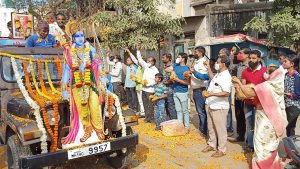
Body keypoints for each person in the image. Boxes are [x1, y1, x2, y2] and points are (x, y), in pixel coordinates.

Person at [232, 66, 287, 169]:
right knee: (270, 142)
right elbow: (243, 95)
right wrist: (238, 87)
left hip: (266, 119)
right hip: (272, 119)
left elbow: (248, 93)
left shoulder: (266, 86)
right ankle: (272, 164)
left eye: (266, 72)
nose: (264, 74)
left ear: (272, 75)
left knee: (261, 141)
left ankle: (262, 165)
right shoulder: (277, 86)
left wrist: (239, 83)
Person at [60, 26, 105, 143]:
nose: (80, 38)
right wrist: (64, 87)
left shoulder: (90, 48)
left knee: (94, 106)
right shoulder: (69, 52)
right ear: (73, 38)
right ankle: (87, 130)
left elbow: (97, 61)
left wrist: (102, 74)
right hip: (76, 84)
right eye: (77, 36)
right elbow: (66, 69)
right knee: (82, 109)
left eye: (82, 35)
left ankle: (99, 130)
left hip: (91, 82)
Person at [201, 56, 232, 158]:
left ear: (223, 64)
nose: (216, 64)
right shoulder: (219, 74)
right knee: (211, 127)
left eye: (218, 62)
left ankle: (222, 149)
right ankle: (212, 144)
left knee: (220, 129)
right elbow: (213, 79)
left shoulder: (226, 76)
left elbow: (227, 93)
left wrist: (211, 95)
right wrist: (209, 68)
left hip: (219, 106)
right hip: (211, 104)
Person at [241, 49, 267, 152]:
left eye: (254, 58)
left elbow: (267, 87)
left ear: (259, 59)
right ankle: (250, 145)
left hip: (260, 104)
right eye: (250, 58)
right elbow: (243, 86)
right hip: (248, 103)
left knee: (260, 125)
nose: (251, 60)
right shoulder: (245, 71)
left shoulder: (265, 71)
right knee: (249, 124)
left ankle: (259, 146)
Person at [134, 44, 159, 123]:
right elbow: (140, 59)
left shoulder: (155, 70)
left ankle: (151, 118)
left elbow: (156, 80)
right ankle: (147, 117)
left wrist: (147, 84)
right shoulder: (146, 66)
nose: (147, 62)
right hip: (143, 89)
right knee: (145, 104)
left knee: (150, 104)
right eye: (147, 61)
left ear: (153, 62)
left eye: (149, 61)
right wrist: (138, 50)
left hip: (150, 90)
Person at [230, 48, 250, 142]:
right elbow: (230, 69)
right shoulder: (238, 66)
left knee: (248, 117)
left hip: (247, 94)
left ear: (247, 55)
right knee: (238, 115)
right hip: (238, 94)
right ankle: (240, 135)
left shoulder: (250, 66)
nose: (239, 54)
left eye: (241, 53)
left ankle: (249, 139)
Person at [191, 46, 209, 136]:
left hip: (200, 89)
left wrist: (194, 72)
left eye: (196, 52)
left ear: (200, 53)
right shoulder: (196, 62)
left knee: (201, 111)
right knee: (200, 111)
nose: (194, 53)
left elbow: (204, 77)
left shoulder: (203, 62)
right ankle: (202, 128)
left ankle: (203, 130)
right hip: (195, 89)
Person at [172, 53, 190, 131]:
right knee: (178, 110)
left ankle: (187, 127)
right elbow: (168, 69)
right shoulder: (176, 66)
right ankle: (180, 125)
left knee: (185, 110)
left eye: (179, 57)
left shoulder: (186, 69)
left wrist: (178, 80)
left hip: (183, 92)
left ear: (183, 59)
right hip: (175, 91)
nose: (177, 58)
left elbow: (187, 83)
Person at [283, 56, 300, 137]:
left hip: (294, 106)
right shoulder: (286, 75)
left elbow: (297, 94)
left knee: (290, 127)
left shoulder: (296, 76)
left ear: (292, 64)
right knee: (288, 127)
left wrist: (285, 93)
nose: (283, 63)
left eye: (285, 61)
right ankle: (290, 147)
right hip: (286, 105)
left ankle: (292, 147)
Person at [126, 48, 145, 117]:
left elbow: (136, 59)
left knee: (138, 100)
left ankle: (140, 111)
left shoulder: (143, 67)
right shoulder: (139, 66)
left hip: (141, 86)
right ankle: (141, 112)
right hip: (137, 86)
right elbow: (135, 59)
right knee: (139, 100)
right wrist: (129, 52)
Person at [162, 53, 177, 120]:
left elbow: (174, 78)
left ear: (169, 59)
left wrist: (167, 82)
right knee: (166, 106)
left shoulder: (172, 67)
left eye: (164, 58)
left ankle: (174, 120)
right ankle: (168, 121)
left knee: (171, 106)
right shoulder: (165, 66)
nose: (163, 59)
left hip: (170, 89)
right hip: (164, 89)